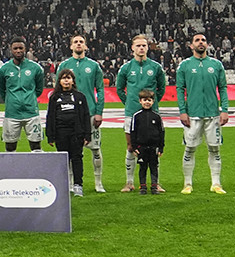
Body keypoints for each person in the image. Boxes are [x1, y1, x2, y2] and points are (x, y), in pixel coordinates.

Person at [175, 32, 229, 194]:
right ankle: (187, 184)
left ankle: (216, 183)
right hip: (192, 114)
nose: (201, 42)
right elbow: (180, 89)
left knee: (214, 149)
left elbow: (223, 88)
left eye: (203, 40)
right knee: (190, 149)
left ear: (207, 44)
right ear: (191, 45)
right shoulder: (184, 65)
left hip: (213, 114)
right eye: (197, 40)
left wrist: (225, 110)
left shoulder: (216, 65)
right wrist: (182, 111)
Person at [113, 35, 167, 193]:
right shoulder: (126, 68)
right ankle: (129, 182)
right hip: (132, 114)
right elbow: (119, 89)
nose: (141, 48)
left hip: (152, 114)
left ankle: (156, 183)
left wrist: (153, 103)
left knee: (154, 148)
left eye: (144, 45)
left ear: (148, 47)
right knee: (131, 147)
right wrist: (129, 103)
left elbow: (162, 88)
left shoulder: (156, 67)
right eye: (138, 45)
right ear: (132, 48)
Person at [56, 35, 107, 192]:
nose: (78, 44)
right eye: (75, 42)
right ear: (71, 46)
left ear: (85, 46)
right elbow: (57, 90)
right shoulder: (64, 65)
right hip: (69, 115)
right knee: (72, 151)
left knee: (95, 149)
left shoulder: (94, 66)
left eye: (81, 42)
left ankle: (98, 182)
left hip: (90, 113)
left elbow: (100, 89)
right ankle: (71, 183)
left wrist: (99, 112)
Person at [44, 69, 92, 197]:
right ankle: (64, 185)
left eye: (69, 78)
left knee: (77, 158)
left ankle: (78, 186)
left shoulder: (80, 97)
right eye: (63, 78)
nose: (66, 80)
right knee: (63, 160)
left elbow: (86, 116)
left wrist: (87, 134)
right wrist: (50, 136)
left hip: (77, 133)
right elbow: (50, 116)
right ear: (59, 81)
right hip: (61, 133)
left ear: (73, 81)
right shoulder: (54, 97)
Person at [0, 38, 46, 153]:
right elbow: (1, 89)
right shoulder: (4, 69)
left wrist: (30, 99)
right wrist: (11, 101)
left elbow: (39, 89)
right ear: (11, 50)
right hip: (12, 113)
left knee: (36, 147)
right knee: (10, 148)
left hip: (31, 113)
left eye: (20, 48)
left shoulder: (36, 68)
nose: (18, 51)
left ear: (25, 49)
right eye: (15, 48)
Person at [128, 89, 166, 195]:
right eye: (144, 100)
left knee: (154, 167)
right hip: (142, 147)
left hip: (153, 147)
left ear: (153, 101)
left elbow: (162, 132)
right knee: (143, 167)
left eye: (149, 100)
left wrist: (161, 147)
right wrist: (135, 147)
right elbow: (133, 132)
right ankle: (143, 187)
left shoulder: (156, 116)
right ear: (140, 101)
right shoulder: (137, 116)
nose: (147, 102)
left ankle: (154, 186)